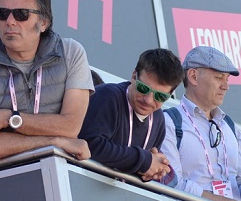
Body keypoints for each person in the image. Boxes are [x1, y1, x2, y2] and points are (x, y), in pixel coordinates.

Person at [0, 0, 94, 162]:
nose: (10, 22)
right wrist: (54, 142)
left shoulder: (70, 53)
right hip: (2, 177)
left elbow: (70, 127)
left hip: (57, 172)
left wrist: (8, 118)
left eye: (21, 14)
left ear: (43, 22)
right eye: (2, 13)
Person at [160, 46, 241, 201]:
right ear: (193, 76)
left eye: (227, 79)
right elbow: (174, 185)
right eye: (219, 78)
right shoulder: (169, 121)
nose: (226, 86)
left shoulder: (231, 127)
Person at [78, 49, 182, 179]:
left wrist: (152, 171)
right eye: (143, 88)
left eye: (160, 96)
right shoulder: (108, 96)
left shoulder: (158, 119)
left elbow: (140, 167)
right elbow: (89, 145)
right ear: (133, 76)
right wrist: (144, 161)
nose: (148, 100)